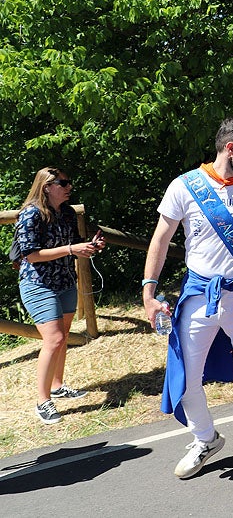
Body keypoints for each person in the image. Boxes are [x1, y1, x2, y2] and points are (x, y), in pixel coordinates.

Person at [142, 117, 233, 480]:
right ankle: (205, 438)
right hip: (197, 292)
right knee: (186, 375)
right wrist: (148, 291)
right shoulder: (185, 186)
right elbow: (161, 238)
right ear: (231, 148)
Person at [15, 167, 105, 424]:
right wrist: (70, 248)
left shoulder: (66, 212)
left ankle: (57, 385)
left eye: (69, 182)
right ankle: (43, 401)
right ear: (46, 186)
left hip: (65, 282)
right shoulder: (30, 214)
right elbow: (31, 254)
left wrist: (88, 247)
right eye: (62, 183)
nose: (68, 187)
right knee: (53, 339)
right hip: (38, 285)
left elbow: (74, 246)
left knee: (63, 336)